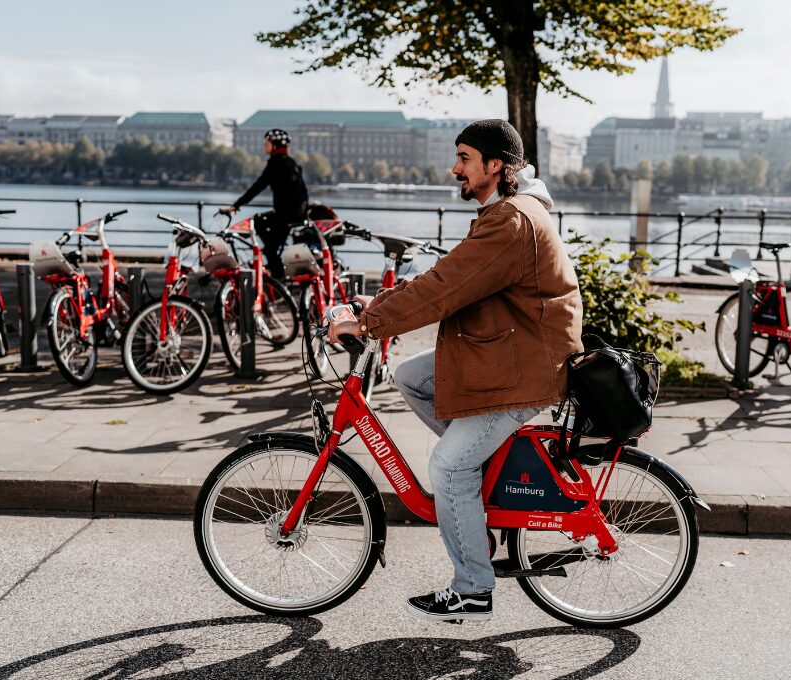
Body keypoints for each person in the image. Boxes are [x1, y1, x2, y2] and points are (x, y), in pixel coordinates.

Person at [327, 119, 583, 623]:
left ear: (497, 166)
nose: (455, 167)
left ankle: (472, 588)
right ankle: (475, 490)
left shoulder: (511, 220)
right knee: (412, 377)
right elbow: (451, 277)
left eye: (465, 158)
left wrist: (370, 323)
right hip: (514, 353)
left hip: (527, 368)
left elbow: (445, 287)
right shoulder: (505, 212)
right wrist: (375, 305)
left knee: (448, 465)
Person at [221, 128, 308, 280]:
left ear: (274, 145)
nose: (264, 147)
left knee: (267, 245)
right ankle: (272, 263)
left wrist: (236, 205)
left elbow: (258, 186)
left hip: (286, 215)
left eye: (266, 144)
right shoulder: (290, 162)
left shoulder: (277, 163)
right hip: (296, 213)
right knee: (260, 223)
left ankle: (279, 279)